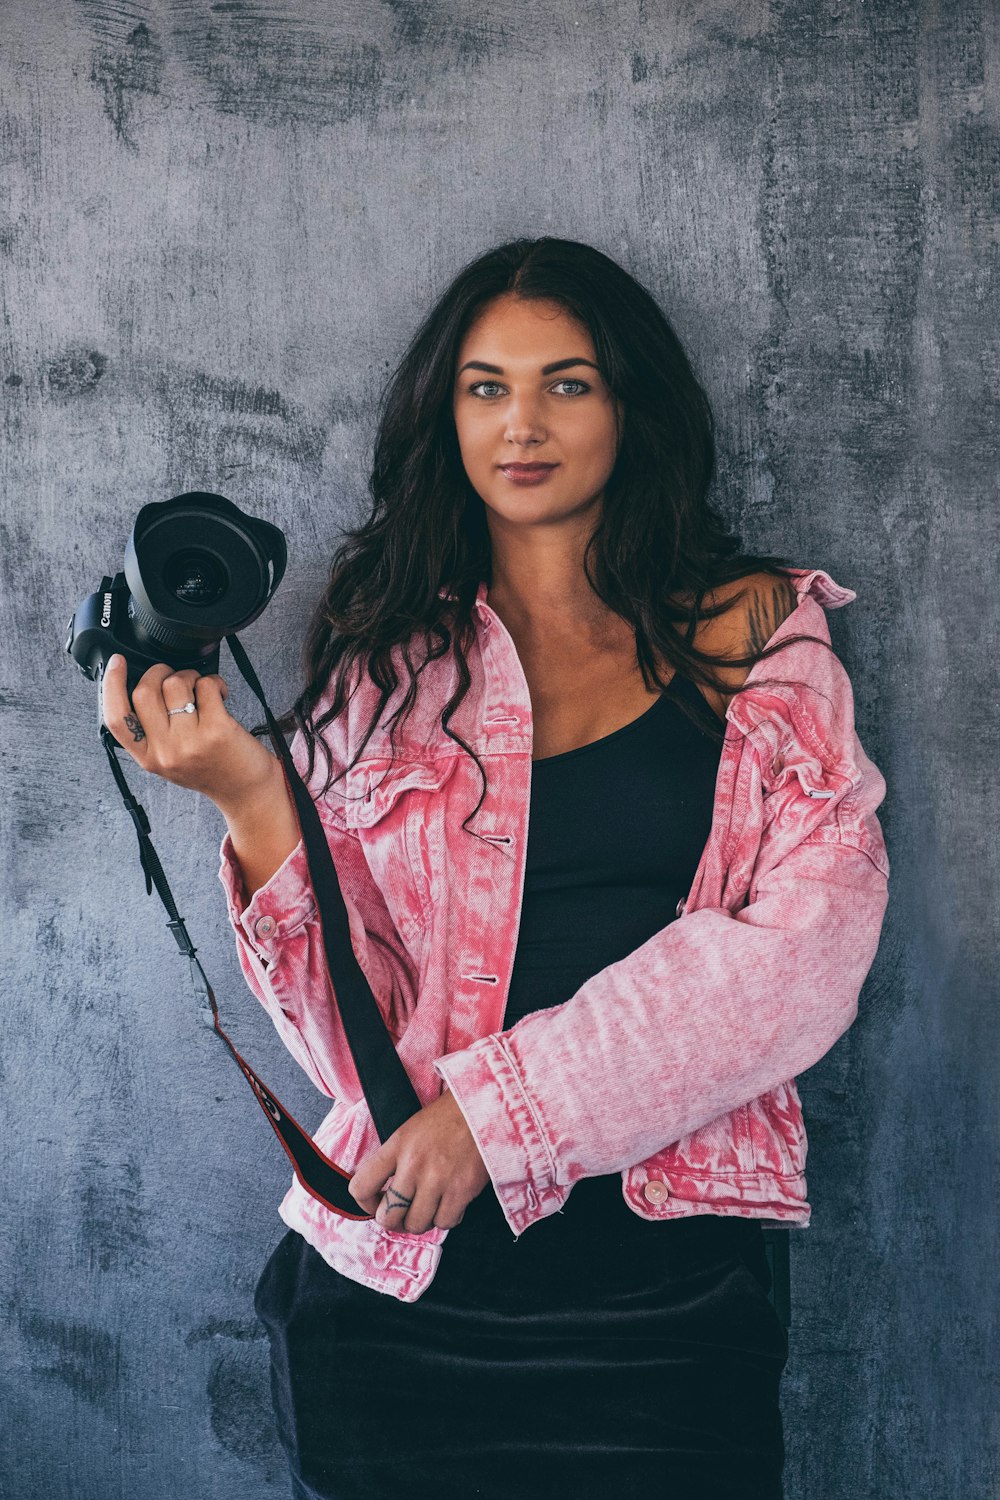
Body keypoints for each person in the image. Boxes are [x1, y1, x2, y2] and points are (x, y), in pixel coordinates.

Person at [100, 237, 890, 1500]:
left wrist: (497, 1118)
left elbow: (806, 956)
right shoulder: (385, 663)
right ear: (445, 414)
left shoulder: (751, 630)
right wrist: (251, 796)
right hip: (400, 1286)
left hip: (670, 1289)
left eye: (567, 384)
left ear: (631, 407)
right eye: (486, 387)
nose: (522, 423)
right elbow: (341, 1038)